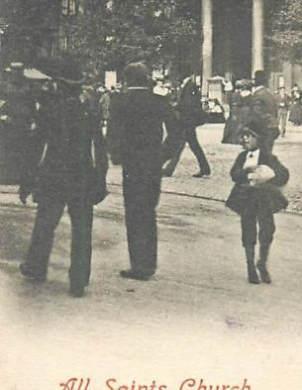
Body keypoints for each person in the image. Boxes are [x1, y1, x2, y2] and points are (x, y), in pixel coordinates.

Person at [19, 57, 108, 298]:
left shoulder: (49, 111)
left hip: (53, 175)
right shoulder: (89, 111)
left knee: (45, 225)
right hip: (81, 176)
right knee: (82, 229)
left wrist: (27, 181)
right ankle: (79, 280)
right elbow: (99, 148)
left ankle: (36, 268)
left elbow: (36, 147)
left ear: (60, 85)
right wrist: (101, 178)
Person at [107, 61, 178, 281]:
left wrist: (117, 155)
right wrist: (162, 155)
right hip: (152, 164)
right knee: (149, 211)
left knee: (133, 213)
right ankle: (149, 263)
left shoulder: (120, 102)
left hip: (132, 165)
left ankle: (138, 264)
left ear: (127, 80)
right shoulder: (159, 101)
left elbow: (112, 134)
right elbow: (176, 133)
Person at [226, 119, 289, 284]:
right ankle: (250, 267)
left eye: (249, 136)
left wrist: (270, 175)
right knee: (248, 230)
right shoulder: (242, 157)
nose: (245, 140)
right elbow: (234, 174)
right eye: (244, 136)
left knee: (267, 229)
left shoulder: (268, 157)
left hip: (264, 198)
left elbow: (283, 174)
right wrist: (245, 172)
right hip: (246, 197)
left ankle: (262, 262)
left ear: (259, 138)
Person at [162, 73, 210, 178]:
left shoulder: (189, 86)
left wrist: (176, 107)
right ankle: (205, 168)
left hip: (187, 121)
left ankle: (167, 169)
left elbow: (188, 104)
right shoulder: (187, 85)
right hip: (187, 121)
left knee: (180, 145)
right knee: (191, 146)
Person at [0, 62, 37, 188]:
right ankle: (7, 175)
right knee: (8, 148)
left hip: (24, 122)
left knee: (24, 149)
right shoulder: (4, 86)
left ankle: (21, 176)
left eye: (19, 71)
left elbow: (33, 104)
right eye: (14, 71)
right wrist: (2, 116)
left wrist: (33, 121)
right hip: (8, 122)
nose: (16, 74)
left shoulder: (29, 86)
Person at [249, 69, 280, 151]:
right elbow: (275, 111)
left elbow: (257, 113)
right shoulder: (269, 94)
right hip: (271, 128)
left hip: (262, 129)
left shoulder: (258, 95)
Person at [222, 79, 253, 146]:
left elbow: (229, 102)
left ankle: (233, 139)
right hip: (245, 110)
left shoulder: (235, 94)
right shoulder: (250, 94)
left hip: (236, 110)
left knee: (234, 124)